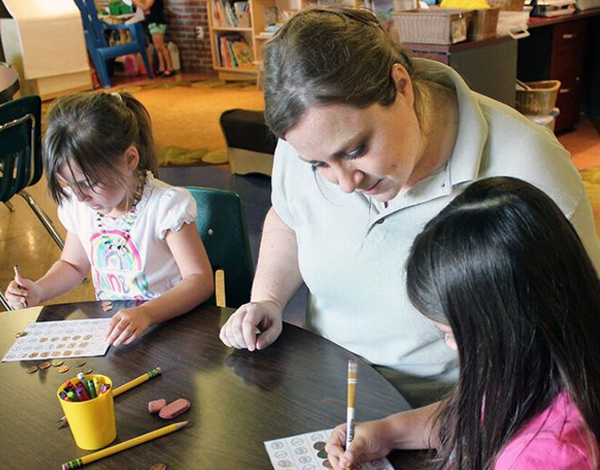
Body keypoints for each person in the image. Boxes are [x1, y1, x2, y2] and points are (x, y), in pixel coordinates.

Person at [218, 7, 600, 408]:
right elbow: (290, 217)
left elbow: (565, 352)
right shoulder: (310, 134)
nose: (345, 184)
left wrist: (409, 429)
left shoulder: (530, 170)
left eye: (356, 150)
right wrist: (268, 300)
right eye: (319, 166)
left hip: (452, 419)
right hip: (326, 384)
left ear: (401, 86)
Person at [307, 177, 600, 470]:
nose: (448, 345)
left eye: (449, 333)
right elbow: (479, 411)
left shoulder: (544, 458)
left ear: (507, 330)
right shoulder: (555, 361)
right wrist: (390, 431)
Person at [4, 92, 213, 347]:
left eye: (88, 183)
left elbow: (199, 280)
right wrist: (39, 290)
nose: (79, 196)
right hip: (115, 334)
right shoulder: (80, 206)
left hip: (171, 329)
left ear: (129, 160)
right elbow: (72, 265)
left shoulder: (165, 207)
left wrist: (147, 313)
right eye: (68, 184)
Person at [132, 0, 175, 77]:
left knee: (161, 46)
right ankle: (161, 67)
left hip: (158, 22)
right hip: (152, 22)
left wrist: (135, 1)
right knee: (157, 47)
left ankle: (170, 67)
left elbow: (145, 7)